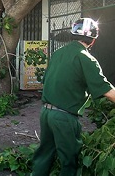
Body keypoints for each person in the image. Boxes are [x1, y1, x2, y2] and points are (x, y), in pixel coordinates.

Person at [32, 18, 115, 176]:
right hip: (64, 117)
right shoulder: (86, 58)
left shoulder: (57, 54)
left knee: (43, 156)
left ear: (73, 35)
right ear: (93, 41)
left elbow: (47, 81)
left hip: (45, 112)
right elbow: (107, 90)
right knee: (69, 161)